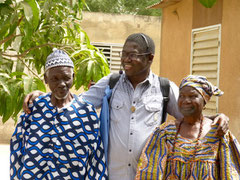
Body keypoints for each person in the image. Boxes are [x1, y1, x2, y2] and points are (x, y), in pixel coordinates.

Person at [22, 33, 229, 179]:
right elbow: (74, 103)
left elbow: (191, 117)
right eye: (123, 54)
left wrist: (218, 118)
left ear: (150, 58)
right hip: (113, 174)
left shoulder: (165, 88)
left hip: (148, 174)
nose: (125, 59)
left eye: (133, 54)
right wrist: (43, 95)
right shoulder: (109, 83)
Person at [10, 49, 108, 179]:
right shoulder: (34, 108)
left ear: (73, 77)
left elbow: (96, 159)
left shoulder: (87, 113)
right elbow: (17, 148)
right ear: (46, 79)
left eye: (66, 78)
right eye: (54, 79)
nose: (61, 84)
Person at [135, 75, 240, 179]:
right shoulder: (165, 133)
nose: (186, 100)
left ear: (205, 100)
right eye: (181, 96)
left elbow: (230, 173)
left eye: (192, 96)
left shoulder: (218, 132)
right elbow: (149, 173)